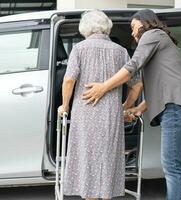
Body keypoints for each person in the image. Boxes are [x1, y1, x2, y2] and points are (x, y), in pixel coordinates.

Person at [82, 9, 181, 200]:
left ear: (145, 22)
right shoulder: (162, 41)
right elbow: (161, 85)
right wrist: (138, 108)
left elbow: (132, 67)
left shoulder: (152, 34)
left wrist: (103, 87)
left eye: (133, 26)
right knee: (174, 164)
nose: (132, 32)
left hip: (177, 107)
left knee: (172, 166)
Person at [57, 10, 132, 200]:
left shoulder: (80, 49)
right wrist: (125, 107)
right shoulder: (121, 51)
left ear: (85, 28)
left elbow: (68, 80)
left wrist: (64, 105)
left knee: (87, 158)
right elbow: (137, 84)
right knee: (108, 158)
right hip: (111, 116)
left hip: (85, 113)